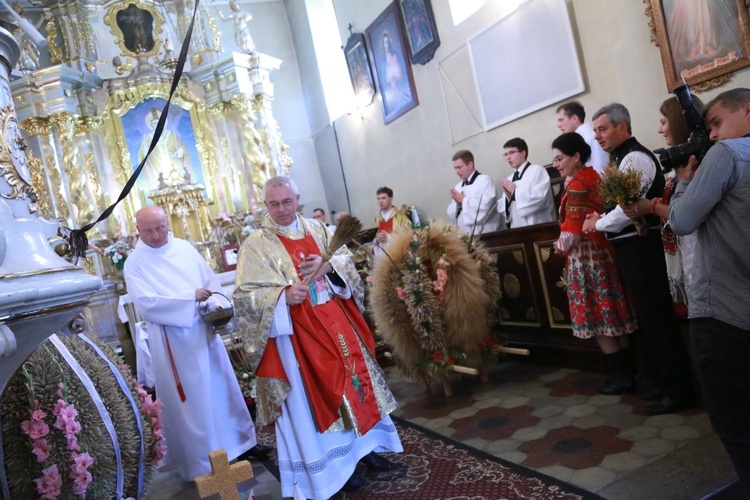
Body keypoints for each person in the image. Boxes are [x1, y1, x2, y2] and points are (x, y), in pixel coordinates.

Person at [233, 176, 402, 499]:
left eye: (287, 201)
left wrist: (329, 269)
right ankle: (341, 467)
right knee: (325, 397)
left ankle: (366, 450)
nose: (281, 209)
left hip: (336, 321)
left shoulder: (319, 229)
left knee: (357, 388)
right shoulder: (256, 243)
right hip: (298, 335)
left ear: (298, 198)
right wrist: (283, 296)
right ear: (264, 205)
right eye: (274, 203)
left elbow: (346, 263)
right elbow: (244, 297)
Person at [123, 206, 265, 481]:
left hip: (203, 331)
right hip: (173, 342)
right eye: (148, 230)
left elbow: (210, 282)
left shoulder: (185, 248)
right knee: (192, 402)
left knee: (221, 389)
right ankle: (201, 462)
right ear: (137, 231)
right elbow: (146, 304)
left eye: (160, 228)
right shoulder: (134, 262)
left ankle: (238, 445)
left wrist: (213, 302)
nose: (155, 235)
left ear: (168, 225)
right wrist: (191, 297)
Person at [583, 103, 693, 414]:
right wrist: (601, 216)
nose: (598, 136)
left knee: (657, 317)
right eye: (596, 131)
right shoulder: (619, 159)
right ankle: (661, 382)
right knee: (647, 318)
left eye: (603, 129)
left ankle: (677, 388)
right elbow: (620, 205)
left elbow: (629, 208)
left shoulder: (635, 158)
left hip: (642, 247)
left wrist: (598, 223)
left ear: (622, 127)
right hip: (630, 248)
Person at [668, 87, 750, 494]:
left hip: (725, 313)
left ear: (748, 110)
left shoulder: (728, 154)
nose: (713, 134)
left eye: (716, 122)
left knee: (732, 419)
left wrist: (683, 182)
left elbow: (682, 220)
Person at [552, 133, 638, 391]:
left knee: (599, 316)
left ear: (576, 157)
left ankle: (621, 376)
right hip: (601, 254)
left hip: (587, 258)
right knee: (611, 313)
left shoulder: (579, 183)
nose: (556, 164)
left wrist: (558, 246)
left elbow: (572, 232)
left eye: (560, 158)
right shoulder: (589, 176)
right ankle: (627, 373)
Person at [622, 94, 705, 315]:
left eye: (663, 122)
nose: (660, 130)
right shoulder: (679, 164)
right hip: (681, 252)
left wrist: (651, 207)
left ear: (678, 122)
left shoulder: (697, 163)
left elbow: (688, 213)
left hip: (700, 257)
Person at [499, 138, 557, 229]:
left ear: (523, 153)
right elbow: (504, 209)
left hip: (538, 225)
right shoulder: (509, 178)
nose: (508, 157)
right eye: (506, 154)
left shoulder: (537, 170)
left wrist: (515, 192)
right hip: (517, 226)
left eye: (511, 153)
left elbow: (540, 198)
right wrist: (508, 198)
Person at [447, 149, 502, 235]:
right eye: (455, 168)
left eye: (459, 167)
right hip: (465, 236)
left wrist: (464, 201)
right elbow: (450, 212)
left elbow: (485, 206)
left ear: (470, 164)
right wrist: (458, 205)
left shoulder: (485, 180)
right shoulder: (457, 187)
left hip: (486, 235)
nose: (457, 172)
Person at [556, 101, 609, 175]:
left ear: (574, 118)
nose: (558, 125)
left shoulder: (590, 136)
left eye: (561, 120)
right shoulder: (579, 137)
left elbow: (600, 169)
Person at [372, 187, 411, 257]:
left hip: (397, 257)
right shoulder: (377, 220)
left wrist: (388, 237)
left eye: (383, 198)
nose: (380, 201)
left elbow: (408, 236)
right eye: (378, 198)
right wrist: (377, 240)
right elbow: (369, 242)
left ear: (391, 199)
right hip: (381, 258)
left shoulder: (401, 218)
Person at [381, 31, 408, 114]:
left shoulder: (395, 57)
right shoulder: (383, 63)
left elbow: (400, 73)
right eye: (385, 42)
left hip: (399, 87)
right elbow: (383, 81)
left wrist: (394, 78)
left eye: (388, 42)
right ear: (383, 45)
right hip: (391, 92)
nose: (387, 45)